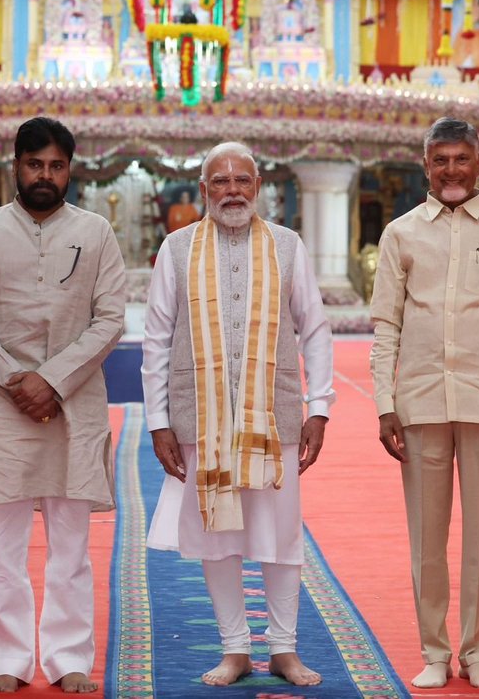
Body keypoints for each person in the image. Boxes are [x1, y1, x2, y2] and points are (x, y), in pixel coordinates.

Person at [141, 141, 334, 688]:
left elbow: (315, 329)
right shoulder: (176, 248)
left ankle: (284, 649)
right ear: (203, 190)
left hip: (274, 415)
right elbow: (156, 338)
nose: (232, 191)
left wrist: (319, 408)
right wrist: (158, 420)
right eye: (221, 182)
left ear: (258, 187)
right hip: (199, 416)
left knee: (281, 535)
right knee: (217, 535)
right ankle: (235, 650)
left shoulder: (287, 246)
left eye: (242, 181)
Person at [0, 116, 127, 694]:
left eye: (56, 166)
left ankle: (68, 657)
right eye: (34, 165)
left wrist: (50, 380)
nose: (44, 175)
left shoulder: (95, 232)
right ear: (15, 167)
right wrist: (16, 381)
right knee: (1, 545)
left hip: (74, 403)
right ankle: (6, 660)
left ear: (70, 170)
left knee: (70, 546)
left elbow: (110, 319)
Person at [369, 117, 479, 690]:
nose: (451, 170)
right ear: (425, 165)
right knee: (427, 538)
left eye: (460, 159)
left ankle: (478, 651)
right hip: (419, 401)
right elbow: (386, 325)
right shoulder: (400, 234)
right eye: (440, 160)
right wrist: (384, 402)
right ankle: (434, 650)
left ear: (478, 164)